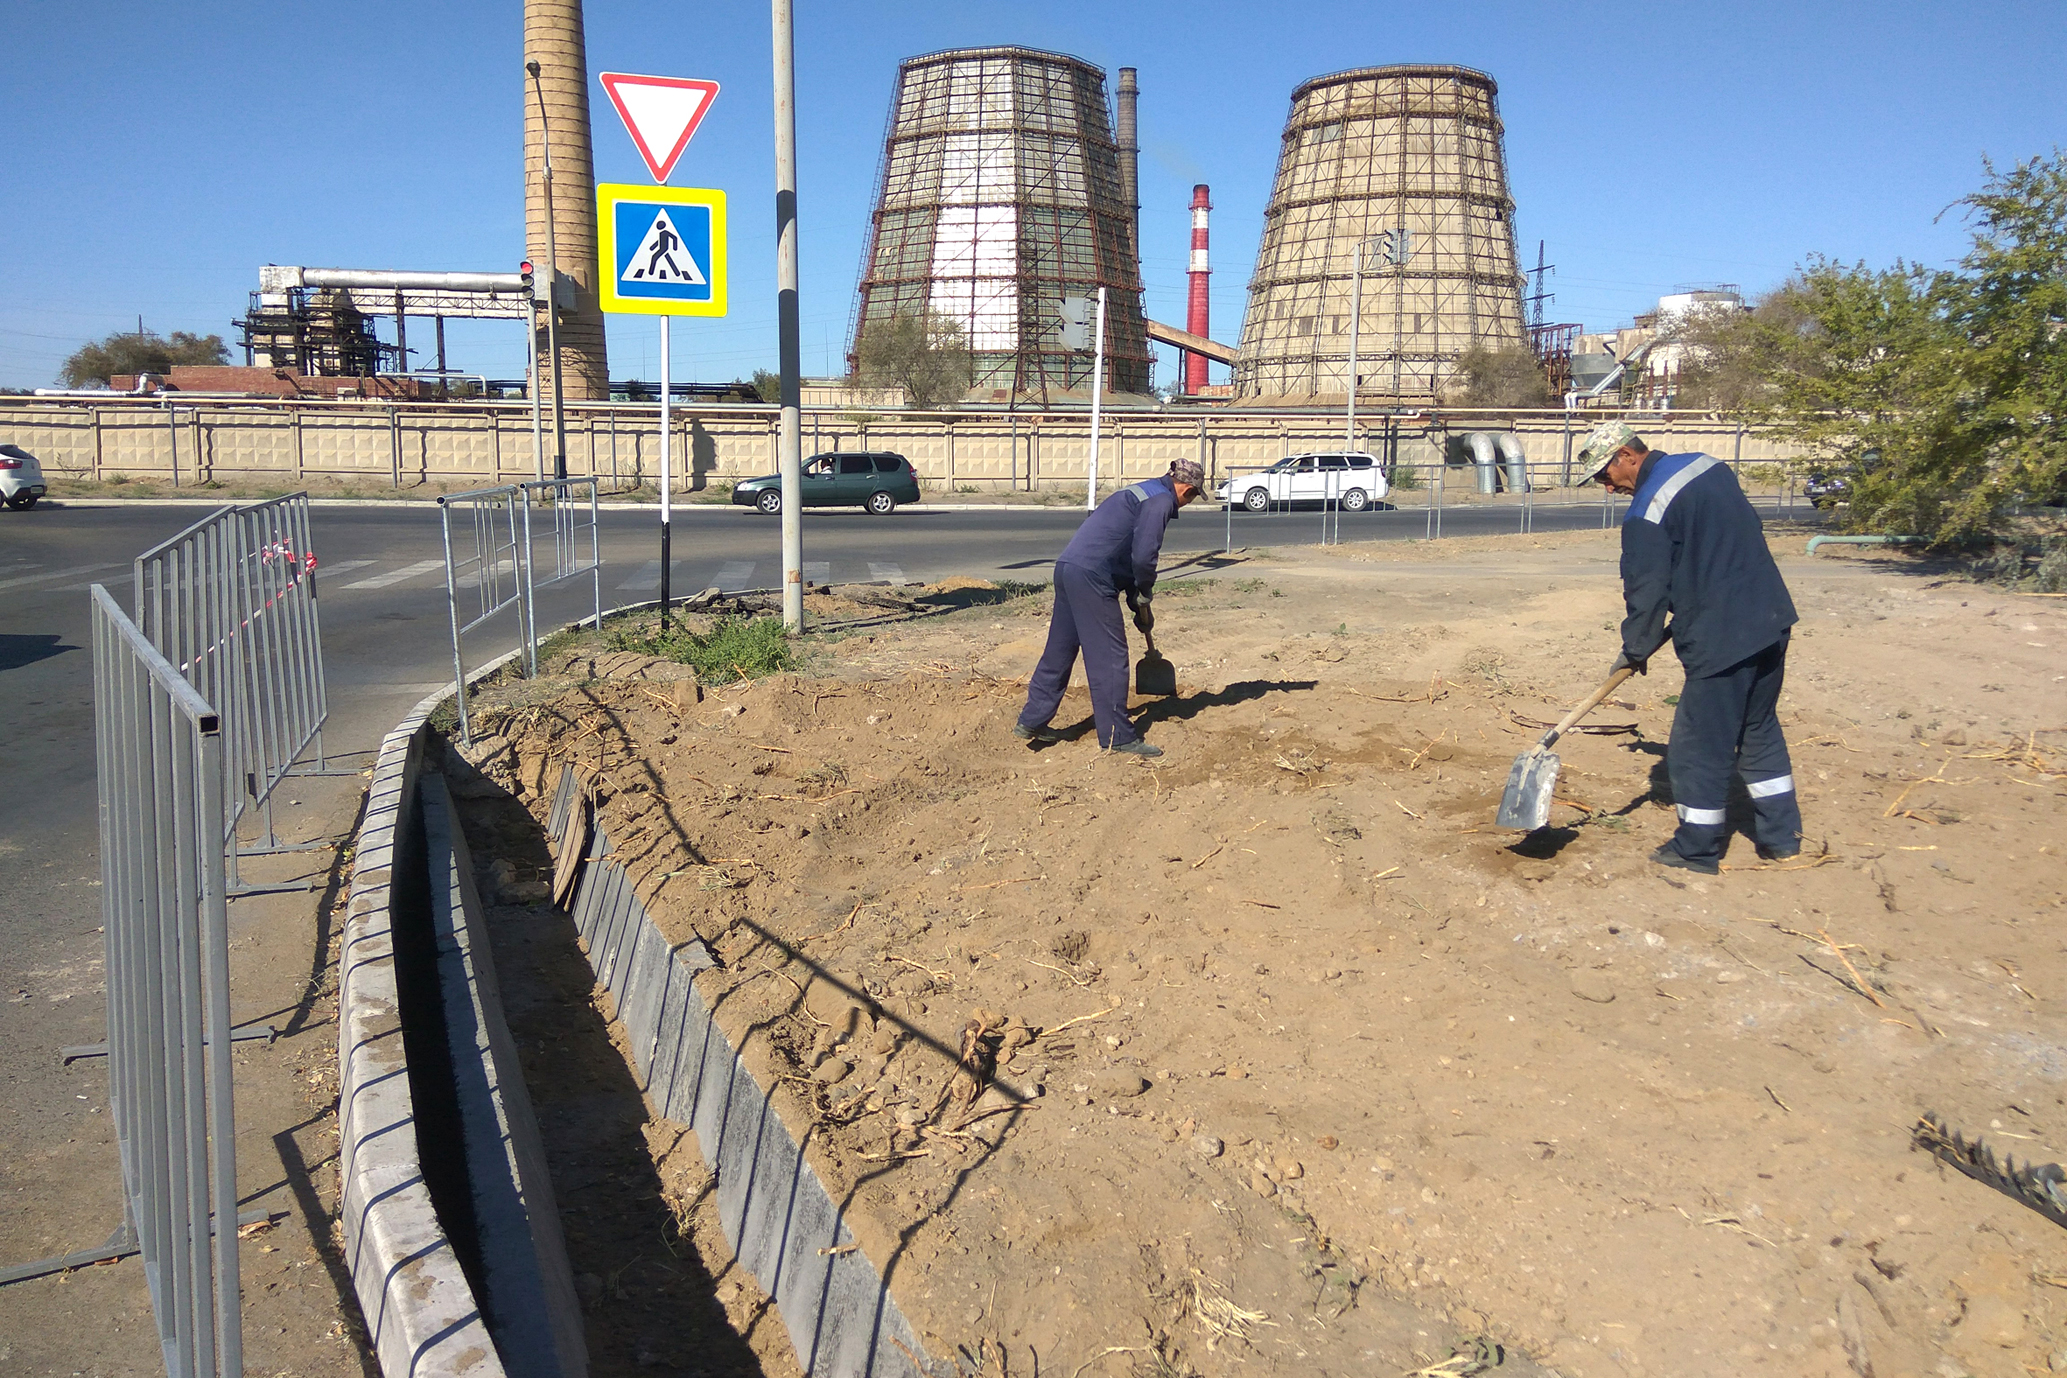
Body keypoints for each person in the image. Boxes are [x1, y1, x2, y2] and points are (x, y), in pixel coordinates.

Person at [1577, 419, 1803, 873]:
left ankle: (1696, 849)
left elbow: (1646, 591)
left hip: (1722, 636)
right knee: (1757, 729)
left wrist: (1635, 648)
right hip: (1771, 617)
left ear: (1625, 455)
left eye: (1604, 475)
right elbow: (1734, 534)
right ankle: (1783, 838)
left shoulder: (1646, 511)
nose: (1606, 488)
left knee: (1698, 745)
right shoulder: (1708, 466)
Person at [1016, 459, 1205, 757]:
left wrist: (1136, 597)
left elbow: (1122, 547)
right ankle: (1117, 736)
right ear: (1187, 489)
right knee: (1110, 657)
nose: (1186, 503)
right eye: (1191, 496)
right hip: (1093, 577)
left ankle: (1032, 720)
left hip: (1069, 568)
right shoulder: (1161, 501)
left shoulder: (1141, 491)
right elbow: (1143, 556)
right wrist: (1144, 588)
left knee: (1060, 650)